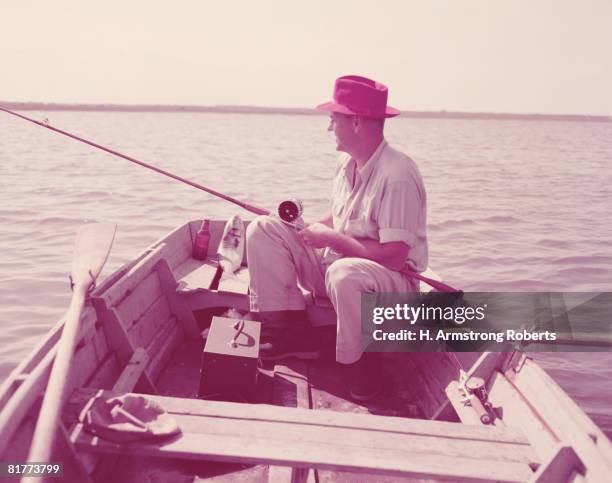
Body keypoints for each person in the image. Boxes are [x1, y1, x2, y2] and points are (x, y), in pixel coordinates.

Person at [246, 75, 428, 401]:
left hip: (390, 287)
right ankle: (291, 333)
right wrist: (306, 230)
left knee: (345, 274)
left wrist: (333, 239)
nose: (329, 127)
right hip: (335, 269)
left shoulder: (398, 175)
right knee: (264, 228)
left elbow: (395, 257)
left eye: (334, 119)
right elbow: (341, 218)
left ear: (356, 121)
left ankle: (365, 368)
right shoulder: (346, 163)